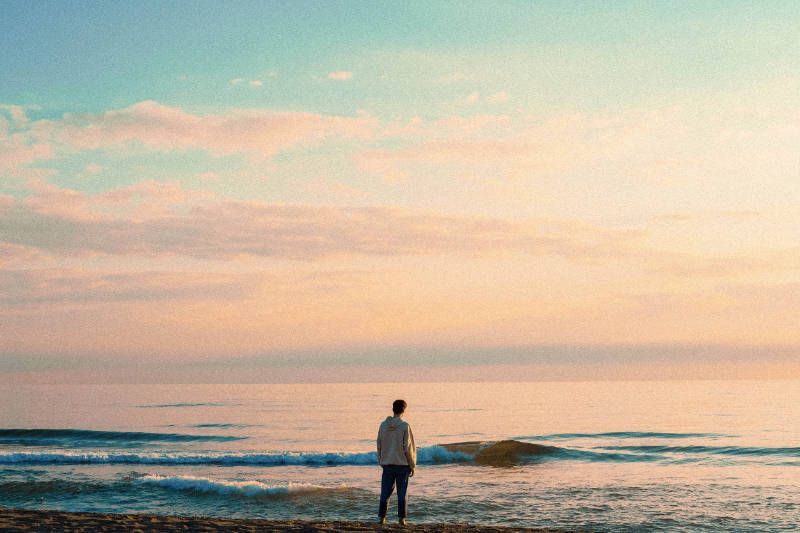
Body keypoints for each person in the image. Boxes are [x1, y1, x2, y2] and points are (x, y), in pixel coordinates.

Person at [377, 399, 416, 525]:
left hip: (387, 463)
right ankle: (402, 519)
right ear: (403, 410)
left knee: (385, 492)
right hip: (402, 465)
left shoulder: (383, 425)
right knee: (402, 493)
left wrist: (381, 460)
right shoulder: (405, 426)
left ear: (393, 409)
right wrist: (412, 464)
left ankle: (382, 518)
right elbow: (408, 448)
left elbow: (379, 445)